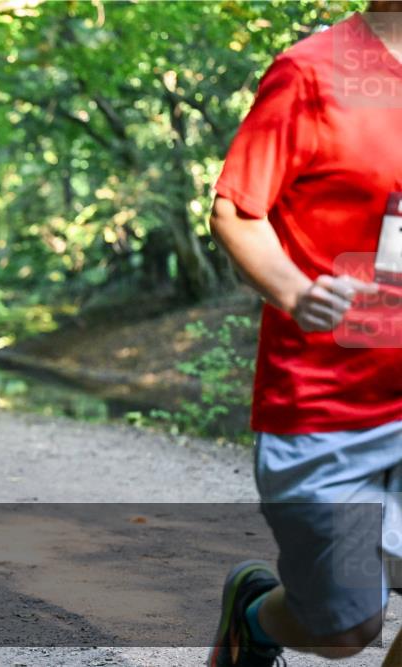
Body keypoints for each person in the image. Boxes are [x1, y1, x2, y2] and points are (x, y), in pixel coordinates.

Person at [207, 4, 401, 666]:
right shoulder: (313, 73)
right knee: (346, 630)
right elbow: (237, 211)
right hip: (328, 403)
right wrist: (296, 293)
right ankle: (254, 619)